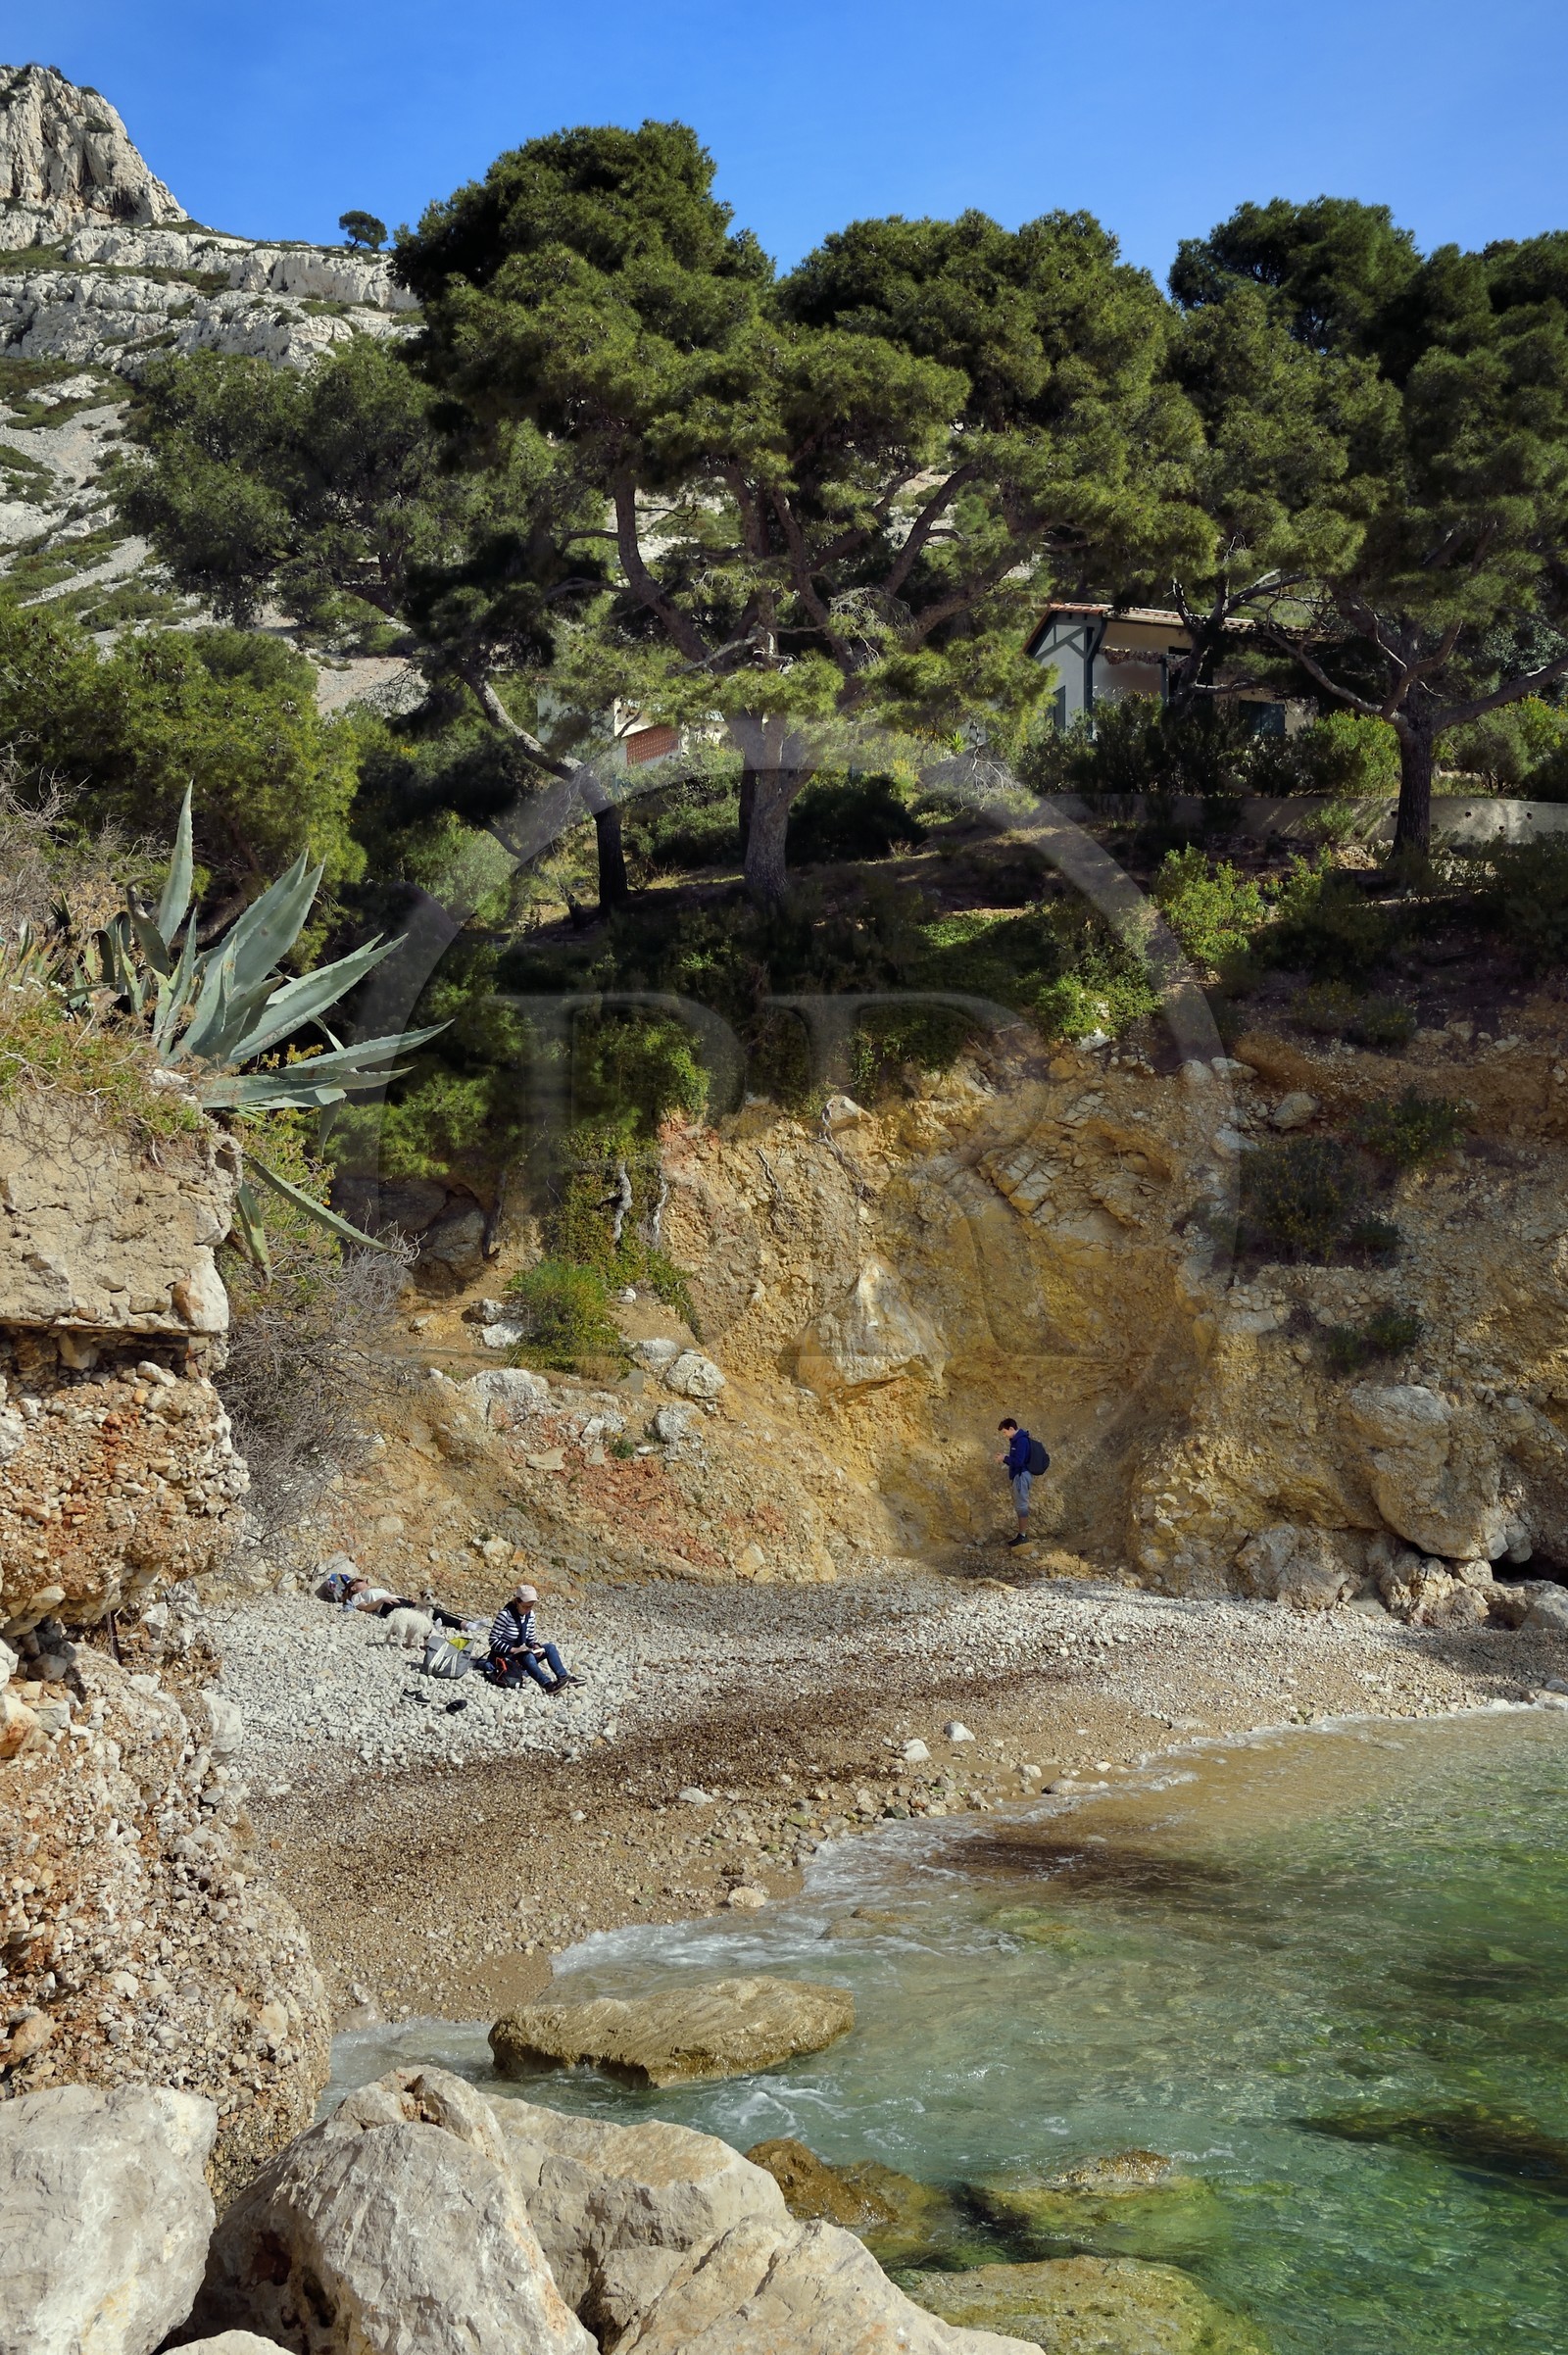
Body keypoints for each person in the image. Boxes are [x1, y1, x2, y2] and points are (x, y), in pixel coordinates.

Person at [488, 1584, 579, 1695]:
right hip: (506, 1656)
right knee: (527, 1656)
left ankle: (564, 1677)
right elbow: (493, 1640)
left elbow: (530, 1638)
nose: (528, 1609)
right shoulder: (505, 1615)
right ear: (517, 1602)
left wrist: (535, 1646)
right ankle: (547, 1685)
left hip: (522, 1652)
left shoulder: (530, 1615)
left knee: (550, 1648)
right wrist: (513, 1650)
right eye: (525, 1606)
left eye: (530, 1606)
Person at [997, 1417, 1038, 1548]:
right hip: (1020, 1475)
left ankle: (1023, 1536)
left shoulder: (1020, 1441)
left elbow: (1019, 1461)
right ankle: (1022, 1535)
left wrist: (1005, 1458)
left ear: (1011, 1429)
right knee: (1021, 1505)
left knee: (1021, 1505)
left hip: (1021, 1476)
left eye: (1005, 1432)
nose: (1005, 1435)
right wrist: (1006, 1458)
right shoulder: (1017, 1440)